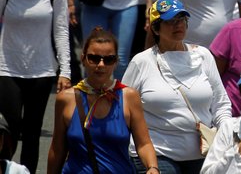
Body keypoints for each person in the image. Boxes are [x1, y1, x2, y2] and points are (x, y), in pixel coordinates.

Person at [123, 0, 232, 173]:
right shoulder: (141, 62)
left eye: (181, 19)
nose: (178, 25)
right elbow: (123, 108)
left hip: (203, 154)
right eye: (170, 21)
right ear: (156, 28)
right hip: (157, 155)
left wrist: (225, 134)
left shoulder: (204, 56)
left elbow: (221, 103)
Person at [0, 0, 71, 172]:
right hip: (6, 69)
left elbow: (61, 31)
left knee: (32, 134)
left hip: (42, 71)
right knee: (7, 130)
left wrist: (65, 71)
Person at [48, 27, 158, 174]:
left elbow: (143, 143)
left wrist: (152, 167)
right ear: (83, 59)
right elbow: (57, 149)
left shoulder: (129, 97)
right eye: (94, 58)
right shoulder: (66, 99)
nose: (101, 65)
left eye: (108, 59)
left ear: (116, 62)